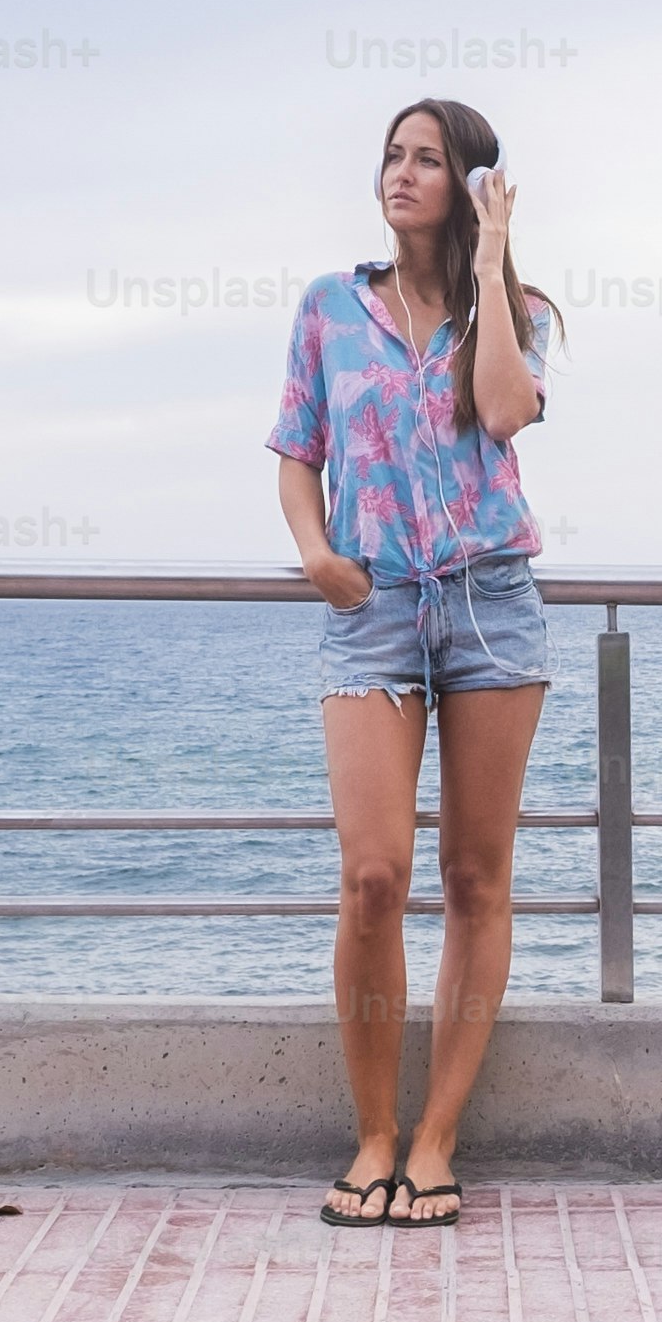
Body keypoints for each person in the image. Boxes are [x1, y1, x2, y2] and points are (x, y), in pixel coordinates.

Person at [265, 98, 559, 1231]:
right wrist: (317, 555)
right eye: (390, 154)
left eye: (425, 159)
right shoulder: (329, 309)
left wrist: (488, 263)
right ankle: (373, 1132)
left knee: (477, 881)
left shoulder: (516, 311)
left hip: (489, 607)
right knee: (373, 874)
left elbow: (500, 410)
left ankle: (435, 1139)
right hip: (373, 609)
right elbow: (299, 451)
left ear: (469, 184)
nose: (398, 173)